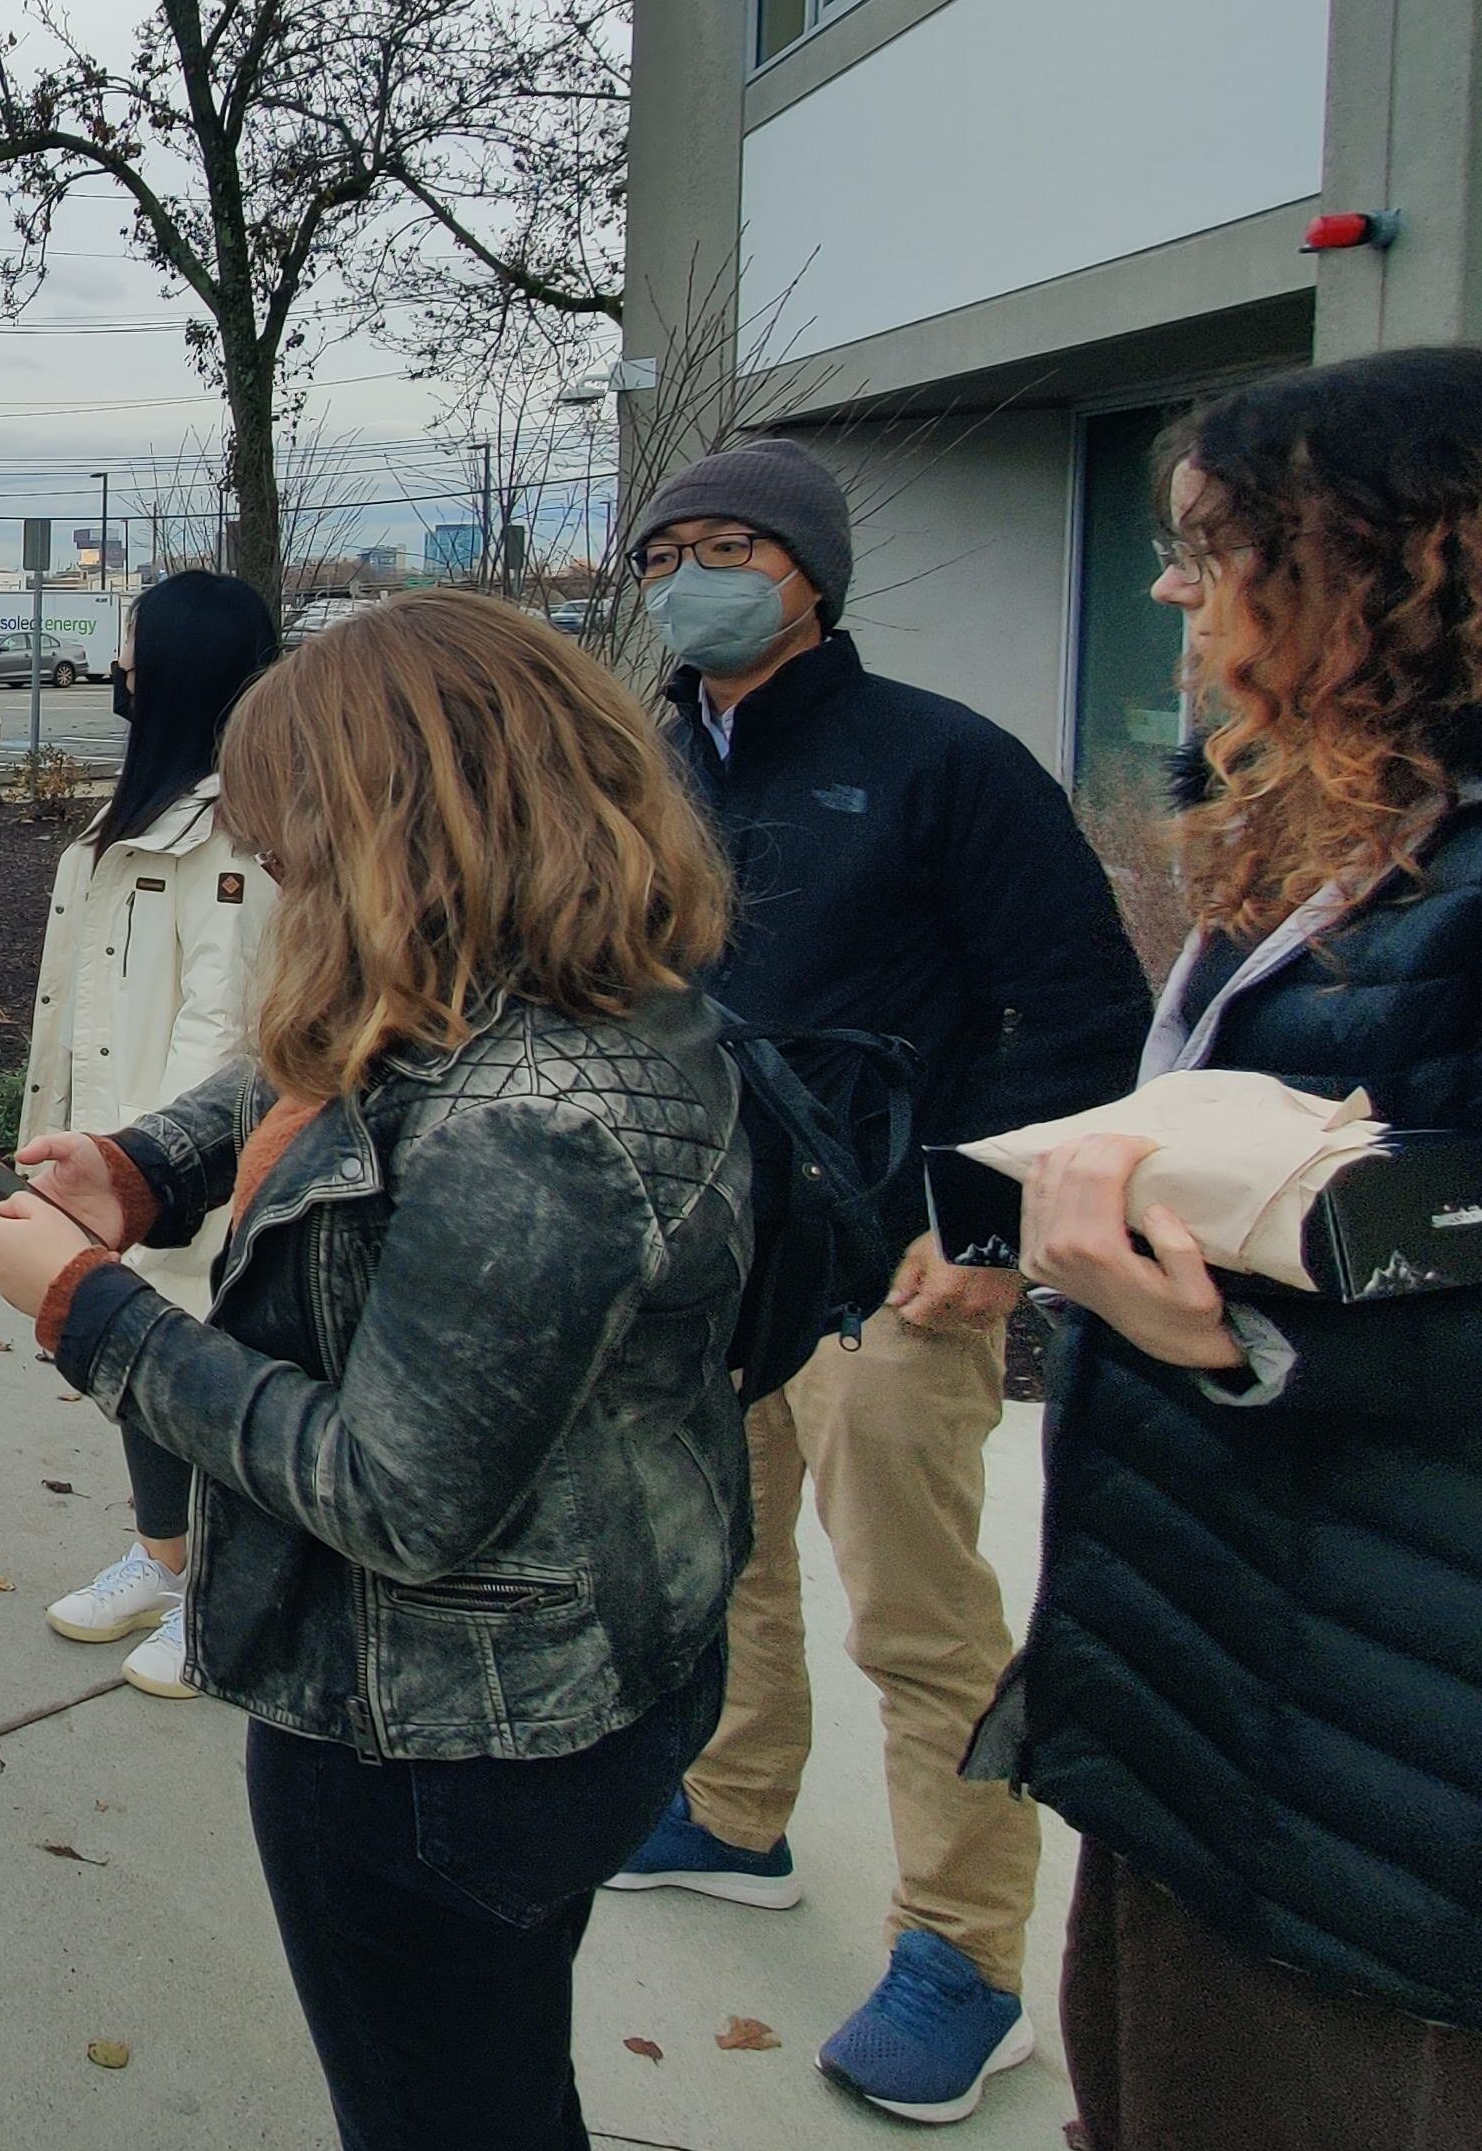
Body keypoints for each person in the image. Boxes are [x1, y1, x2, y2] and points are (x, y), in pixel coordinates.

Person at [0, 590, 749, 2151]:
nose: (288, 882)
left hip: (446, 1740)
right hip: (552, 1669)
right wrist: (144, 1165)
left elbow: (394, 1494)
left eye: (303, 845)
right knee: (497, 2069)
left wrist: (95, 1314)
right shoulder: (521, 981)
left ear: (409, 824)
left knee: (439, 2109)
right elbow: (321, 1054)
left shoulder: (535, 1114)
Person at [598, 438, 1152, 2125]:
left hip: (896, 1273)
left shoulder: (944, 765)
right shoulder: (648, 764)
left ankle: (967, 1961)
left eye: (728, 546)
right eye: (667, 547)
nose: (691, 573)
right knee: (725, 1557)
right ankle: (737, 1809)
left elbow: (1080, 1018)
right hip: (711, 1250)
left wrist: (981, 1235)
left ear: (808, 577)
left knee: (920, 1619)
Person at [981, 350, 1482, 2150]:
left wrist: (1247, 1348)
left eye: (1213, 549)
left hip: (1381, 1760)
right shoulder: (1346, 844)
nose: (1171, 594)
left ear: (1390, 565)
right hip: (1214, 1656)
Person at [20, 569, 282, 1696]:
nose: (120, 665)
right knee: (130, 1372)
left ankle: (219, 1594)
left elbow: (224, 1025)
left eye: (135, 646)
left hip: (180, 1172)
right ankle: (163, 1559)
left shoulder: (238, 831)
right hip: (112, 1147)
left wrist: (160, 1185)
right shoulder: (140, 807)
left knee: (197, 1376)